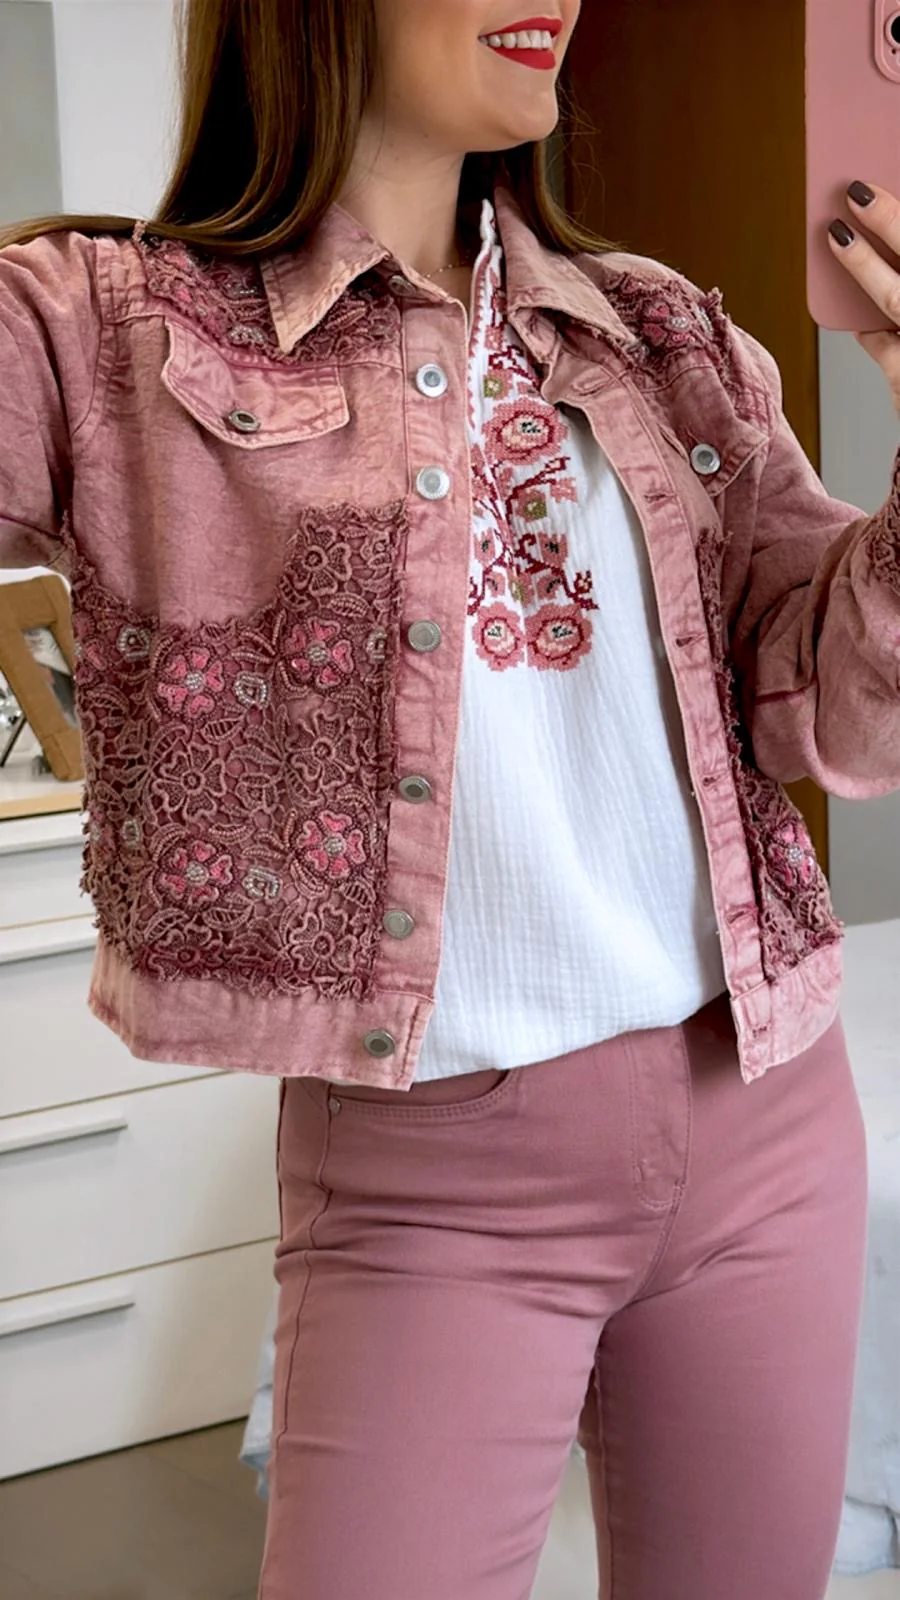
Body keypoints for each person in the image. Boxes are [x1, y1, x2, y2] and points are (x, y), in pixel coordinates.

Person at [2, 1, 899, 1595]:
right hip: (435, 1186)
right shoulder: (103, 329)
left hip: (768, 1118)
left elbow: (832, 712)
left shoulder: (665, 333)